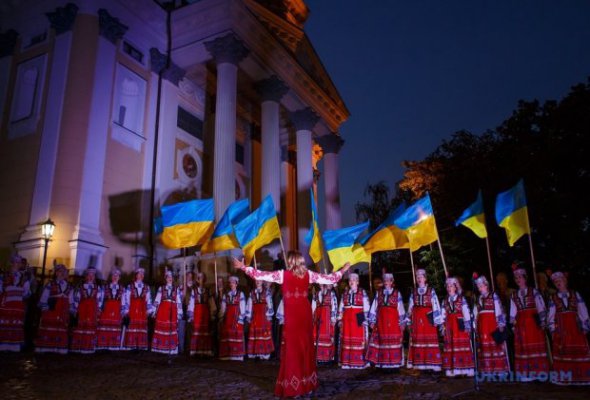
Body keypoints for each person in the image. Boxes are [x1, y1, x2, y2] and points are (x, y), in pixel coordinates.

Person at [233, 251, 350, 398]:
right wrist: (343, 270)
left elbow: (260, 275)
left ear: (290, 261)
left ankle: (295, 387)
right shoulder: (308, 274)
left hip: (294, 319)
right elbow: (330, 279)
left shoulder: (283, 275)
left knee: (292, 351)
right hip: (304, 317)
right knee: (305, 349)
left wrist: (244, 268)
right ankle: (307, 384)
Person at [547, 271, 590, 385]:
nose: (558, 283)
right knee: (563, 350)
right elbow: (551, 315)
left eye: (560, 281)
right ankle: (565, 378)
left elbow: (582, 310)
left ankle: (581, 377)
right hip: (562, 328)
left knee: (578, 350)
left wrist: (585, 324)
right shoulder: (553, 297)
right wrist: (552, 328)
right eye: (556, 282)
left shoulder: (575, 294)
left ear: (565, 281)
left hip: (575, 326)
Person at [509, 265, 550, 381]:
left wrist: (543, 321)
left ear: (525, 278)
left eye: (520, 278)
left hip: (533, 322)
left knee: (535, 344)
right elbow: (513, 311)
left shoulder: (534, 291)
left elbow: (540, 307)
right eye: (516, 278)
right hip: (521, 323)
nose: (518, 280)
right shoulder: (514, 294)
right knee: (523, 346)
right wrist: (512, 324)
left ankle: (539, 373)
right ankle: (526, 374)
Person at [366, 273, 406, 369]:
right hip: (381, 322)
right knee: (382, 342)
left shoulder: (397, 293)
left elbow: (400, 308)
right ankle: (382, 364)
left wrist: (402, 322)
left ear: (392, 282)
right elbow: (374, 307)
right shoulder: (379, 293)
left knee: (394, 342)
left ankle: (395, 364)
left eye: (389, 280)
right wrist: (371, 320)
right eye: (385, 280)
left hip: (393, 322)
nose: (386, 282)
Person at [407, 268, 443, 371]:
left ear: (425, 278)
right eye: (417, 277)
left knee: (429, 341)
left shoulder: (431, 291)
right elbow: (410, 307)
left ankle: (432, 365)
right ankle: (421, 365)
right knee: (419, 341)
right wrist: (408, 320)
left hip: (428, 319)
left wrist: (437, 320)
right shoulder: (414, 292)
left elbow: (435, 304)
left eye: (421, 277)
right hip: (417, 320)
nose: (419, 279)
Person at [473, 274, 510, 375]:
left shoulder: (493, 296)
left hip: (492, 326)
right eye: (478, 287)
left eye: (481, 286)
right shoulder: (478, 299)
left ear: (486, 285)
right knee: (484, 348)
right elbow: (476, 314)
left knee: (495, 346)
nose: (480, 288)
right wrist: (474, 326)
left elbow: (499, 310)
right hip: (482, 328)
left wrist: (501, 323)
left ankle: (499, 370)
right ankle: (487, 370)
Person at [35, 264, 73, 353]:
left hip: (63, 309)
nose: (62, 274)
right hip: (53, 308)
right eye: (60, 272)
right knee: (50, 325)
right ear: (56, 273)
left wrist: (71, 308)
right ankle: (46, 347)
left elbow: (71, 299)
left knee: (61, 327)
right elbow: (45, 296)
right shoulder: (51, 284)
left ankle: (59, 347)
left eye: (64, 272)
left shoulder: (69, 286)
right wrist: (44, 307)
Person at [441, 277, 474, 377]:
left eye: (451, 286)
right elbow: (443, 314)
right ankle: (452, 370)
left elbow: (466, 313)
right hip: (450, 326)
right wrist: (442, 325)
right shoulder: (445, 300)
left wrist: (468, 326)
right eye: (448, 286)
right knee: (451, 346)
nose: (449, 288)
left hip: (460, 325)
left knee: (461, 346)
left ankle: (466, 370)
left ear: (455, 287)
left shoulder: (461, 299)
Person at [338, 273, 370, 369]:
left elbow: (366, 306)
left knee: (359, 338)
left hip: (358, 316)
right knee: (347, 338)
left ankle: (359, 361)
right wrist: (340, 319)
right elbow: (341, 307)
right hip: (347, 318)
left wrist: (365, 319)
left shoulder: (362, 292)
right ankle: (347, 362)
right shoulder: (345, 293)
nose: (351, 282)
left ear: (358, 282)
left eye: (354, 280)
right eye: (350, 280)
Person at [0, 255, 31, 351]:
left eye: (18, 263)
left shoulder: (24, 277)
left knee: (16, 323)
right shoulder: (4, 276)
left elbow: (27, 291)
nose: (16, 265)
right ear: (11, 263)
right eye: (15, 262)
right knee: (5, 322)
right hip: (6, 302)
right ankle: (3, 344)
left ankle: (14, 345)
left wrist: (20, 295)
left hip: (18, 303)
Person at [70, 266, 104, 354]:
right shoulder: (80, 287)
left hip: (92, 309)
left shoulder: (98, 288)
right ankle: (78, 346)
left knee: (90, 326)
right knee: (81, 325)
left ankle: (89, 346)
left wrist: (99, 309)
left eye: (92, 275)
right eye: (89, 275)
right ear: (86, 276)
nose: (91, 277)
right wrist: (75, 309)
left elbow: (100, 299)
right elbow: (76, 297)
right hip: (82, 308)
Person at [151, 270, 183, 354]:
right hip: (163, 311)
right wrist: (154, 311)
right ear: (165, 278)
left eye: (171, 277)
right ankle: (160, 348)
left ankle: (171, 349)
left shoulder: (176, 289)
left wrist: (179, 313)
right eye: (168, 277)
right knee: (162, 328)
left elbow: (179, 301)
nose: (170, 278)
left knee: (171, 329)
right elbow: (157, 300)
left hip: (172, 310)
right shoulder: (161, 288)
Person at [123, 267, 153, 351]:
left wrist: (149, 310)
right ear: (136, 275)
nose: (141, 276)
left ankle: (140, 345)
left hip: (142, 309)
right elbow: (126, 298)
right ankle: (131, 345)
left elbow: (149, 299)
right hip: (133, 308)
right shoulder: (130, 286)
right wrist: (126, 310)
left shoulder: (146, 287)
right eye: (139, 274)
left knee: (141, 326)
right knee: (132, 325)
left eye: (142, 274)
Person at [218, 275, 246, 361]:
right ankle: (227, 355)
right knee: (228, 335)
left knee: (237, 335)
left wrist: (241, 318)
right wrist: (221, 316)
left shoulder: (240, 294)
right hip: (228, 319)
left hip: (236, 318)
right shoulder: (226, 295)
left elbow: (243, 307)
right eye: (231, 283)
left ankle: (237, 355)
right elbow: (223, 308)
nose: (232, 284)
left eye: (233, 282)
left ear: (236, 284)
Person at [245, 279, 274, 360]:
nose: (258, 282)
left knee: (263, 334)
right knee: (255, 335)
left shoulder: (267, 293)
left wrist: (269, 314)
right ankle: (255, 353)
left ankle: (265, 354)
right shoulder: (252, 293)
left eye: (259, 281)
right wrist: (249, 315)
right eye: (256, 281)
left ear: (262, 282)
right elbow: (249, 305)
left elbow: (270, 305)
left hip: (263, 316)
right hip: (255, 316)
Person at [96, 269, 125, 350]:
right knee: (105, 326)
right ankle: (103, 344)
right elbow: (101, 299)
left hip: (116, 309)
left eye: (117, 276)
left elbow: (123, 300)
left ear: (119, 278)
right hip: (107, 309)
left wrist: (123, 311)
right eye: (113, 276)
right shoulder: (105, 287)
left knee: (115, 327)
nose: (115, 277)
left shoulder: (122, 288)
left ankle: (113, 345)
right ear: (111, 277)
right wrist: (99, 308)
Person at [188, 271, 215, 356]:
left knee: (205, 331)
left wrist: (212, 313)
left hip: (205, 313)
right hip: (197, 313)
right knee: (197, 331)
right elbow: (191, 303)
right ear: (198, 280)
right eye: (199, 278)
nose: (201, 280)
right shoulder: (194, 291)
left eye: (202, 278)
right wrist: (191, 314)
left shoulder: (208, 290)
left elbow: (211, 303)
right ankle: (196, 350)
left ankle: (205, 351)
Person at [311, 283, 338, 364]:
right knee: (316, 336)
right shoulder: (316, 294)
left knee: (328, 336)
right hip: (318, 318)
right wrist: (312, 318)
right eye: (320, 284)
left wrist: (333, 318)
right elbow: (313, 306)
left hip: (327, 318)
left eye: (323, 284)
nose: (322, 285)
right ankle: (318, 357)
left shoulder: (331, 294)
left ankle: (328, 358)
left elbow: (335, 305)